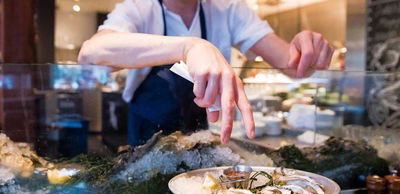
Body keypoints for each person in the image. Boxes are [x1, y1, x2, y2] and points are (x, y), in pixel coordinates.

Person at [78, 0, 333, 146]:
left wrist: (307, 50)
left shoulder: (228, 8)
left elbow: (293, 65)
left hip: (200, 129)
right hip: (147, 132)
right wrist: (189, 46)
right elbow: (90, 55)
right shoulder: (139, 7)